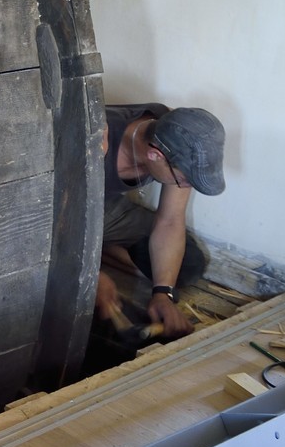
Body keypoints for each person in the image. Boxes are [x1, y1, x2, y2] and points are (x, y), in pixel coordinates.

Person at [94, 104, 226, 340]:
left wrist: (163, 294)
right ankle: (96, 255)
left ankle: (99, 250)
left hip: (105, 208)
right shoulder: (95, 140)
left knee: (188, 264)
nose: (185, 186)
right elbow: (40, 221)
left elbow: (170, 220)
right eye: (183, 181)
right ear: (155, 155)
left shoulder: (174, 131)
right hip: (50, 216)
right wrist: (90, 277)